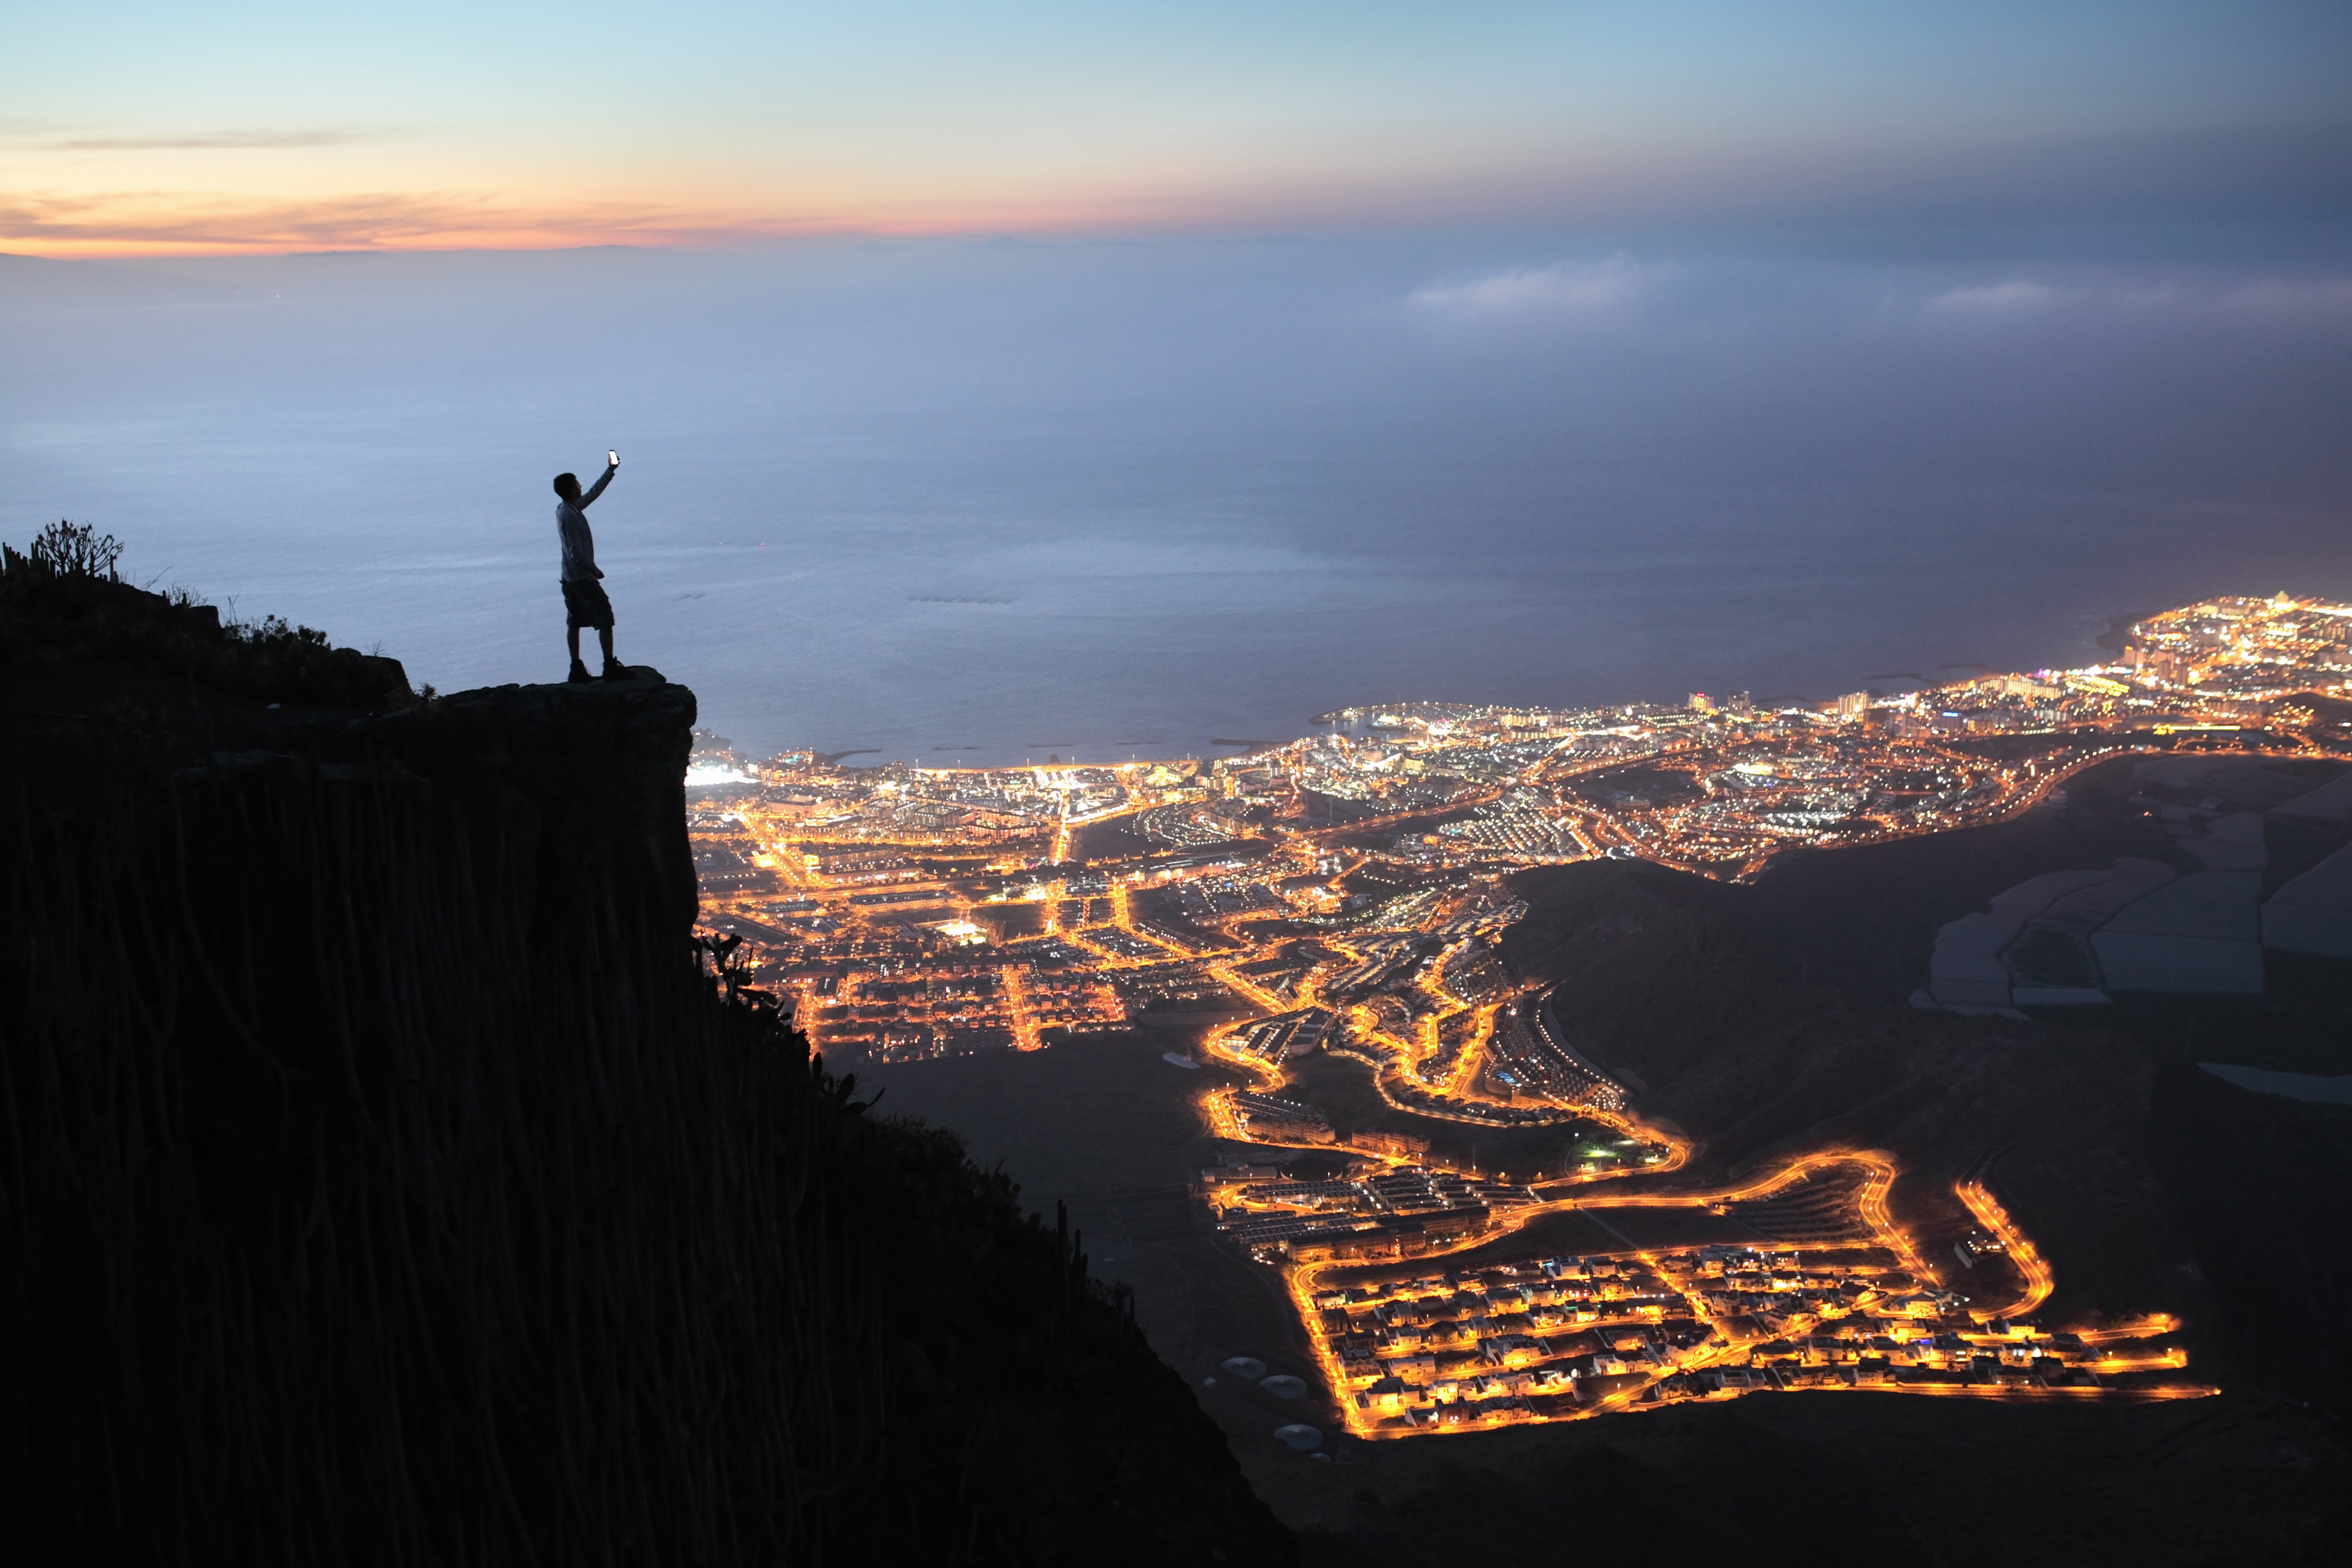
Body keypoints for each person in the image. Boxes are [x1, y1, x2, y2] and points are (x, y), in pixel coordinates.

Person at [554, 453, 622, 682]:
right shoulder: (571, 517)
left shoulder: (565, 509)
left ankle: (576, 667)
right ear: (573, 490)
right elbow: (576, 553)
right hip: (582, 578)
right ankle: (609, 666)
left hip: (569, 578)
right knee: (605, 620)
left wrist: (610, 471)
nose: (581, 486)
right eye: (578, 484)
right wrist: (595, 571)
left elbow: (593, 494)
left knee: (574, 622)